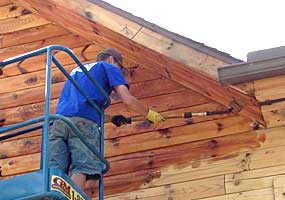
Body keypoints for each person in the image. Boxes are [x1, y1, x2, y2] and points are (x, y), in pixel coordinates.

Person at [48, 48, 165, 190]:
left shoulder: (77, 70)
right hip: (83, 124)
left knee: (55, 170)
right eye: (120, 68)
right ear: (111, 58)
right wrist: (149, 114)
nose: (120, 71)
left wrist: (110, 118)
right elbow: (128, 100)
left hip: (59, 122)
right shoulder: (108, 66)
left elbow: (78, 108)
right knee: (82, 166)